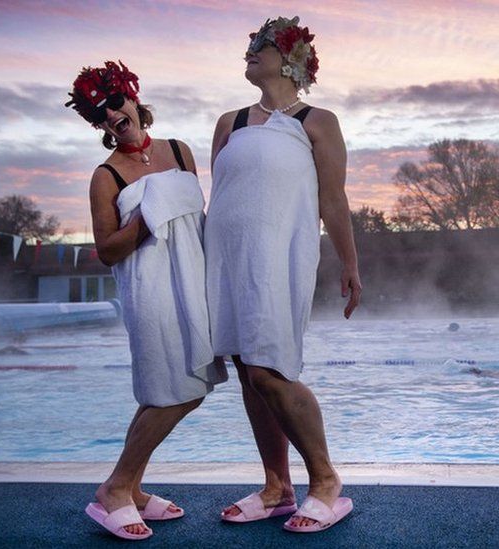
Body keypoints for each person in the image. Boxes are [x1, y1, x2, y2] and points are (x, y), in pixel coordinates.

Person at [206, 16, 361, 533]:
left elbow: (333, 201)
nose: (249, 52)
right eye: (249, 45)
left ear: (291, 59)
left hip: (279, 259)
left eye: (261, 45)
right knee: (249, 370)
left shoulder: (317, 121)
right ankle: (277, 487)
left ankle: (326, 483)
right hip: (227, 260)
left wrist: (350, 263)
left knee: (271, 369)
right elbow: (221, 197)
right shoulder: (231, 122)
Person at [66, 60, 227, 541]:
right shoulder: (105, 175)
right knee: (181, 390)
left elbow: (197, 222)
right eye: (100, 114)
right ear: (97, 126)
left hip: (193, 283)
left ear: (133, 99)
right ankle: (114, 488)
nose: (112, 115)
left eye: (115, 103)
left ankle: (131, 490)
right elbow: (106, 250)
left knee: (171, 391)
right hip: (150, 292)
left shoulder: (180, 151)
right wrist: (147, 218)